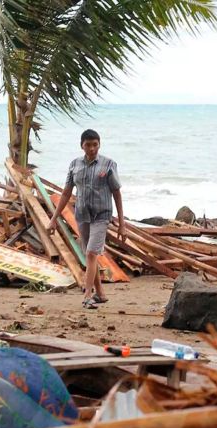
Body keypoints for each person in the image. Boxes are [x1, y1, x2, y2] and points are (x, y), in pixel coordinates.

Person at [47, 129, 126, 309]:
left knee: (91, 253)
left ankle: (87, 295)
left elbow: (116, 193)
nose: (92, 149)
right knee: (89, 255)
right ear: (81, 145)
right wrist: (53, 219)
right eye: (88, 145)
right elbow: (66, 192)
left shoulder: (108, 164)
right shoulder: (75, 164)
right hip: (82, 215)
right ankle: (101, 293)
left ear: (99, 144)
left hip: (101, 215)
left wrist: (122, 224)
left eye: (95, 144)